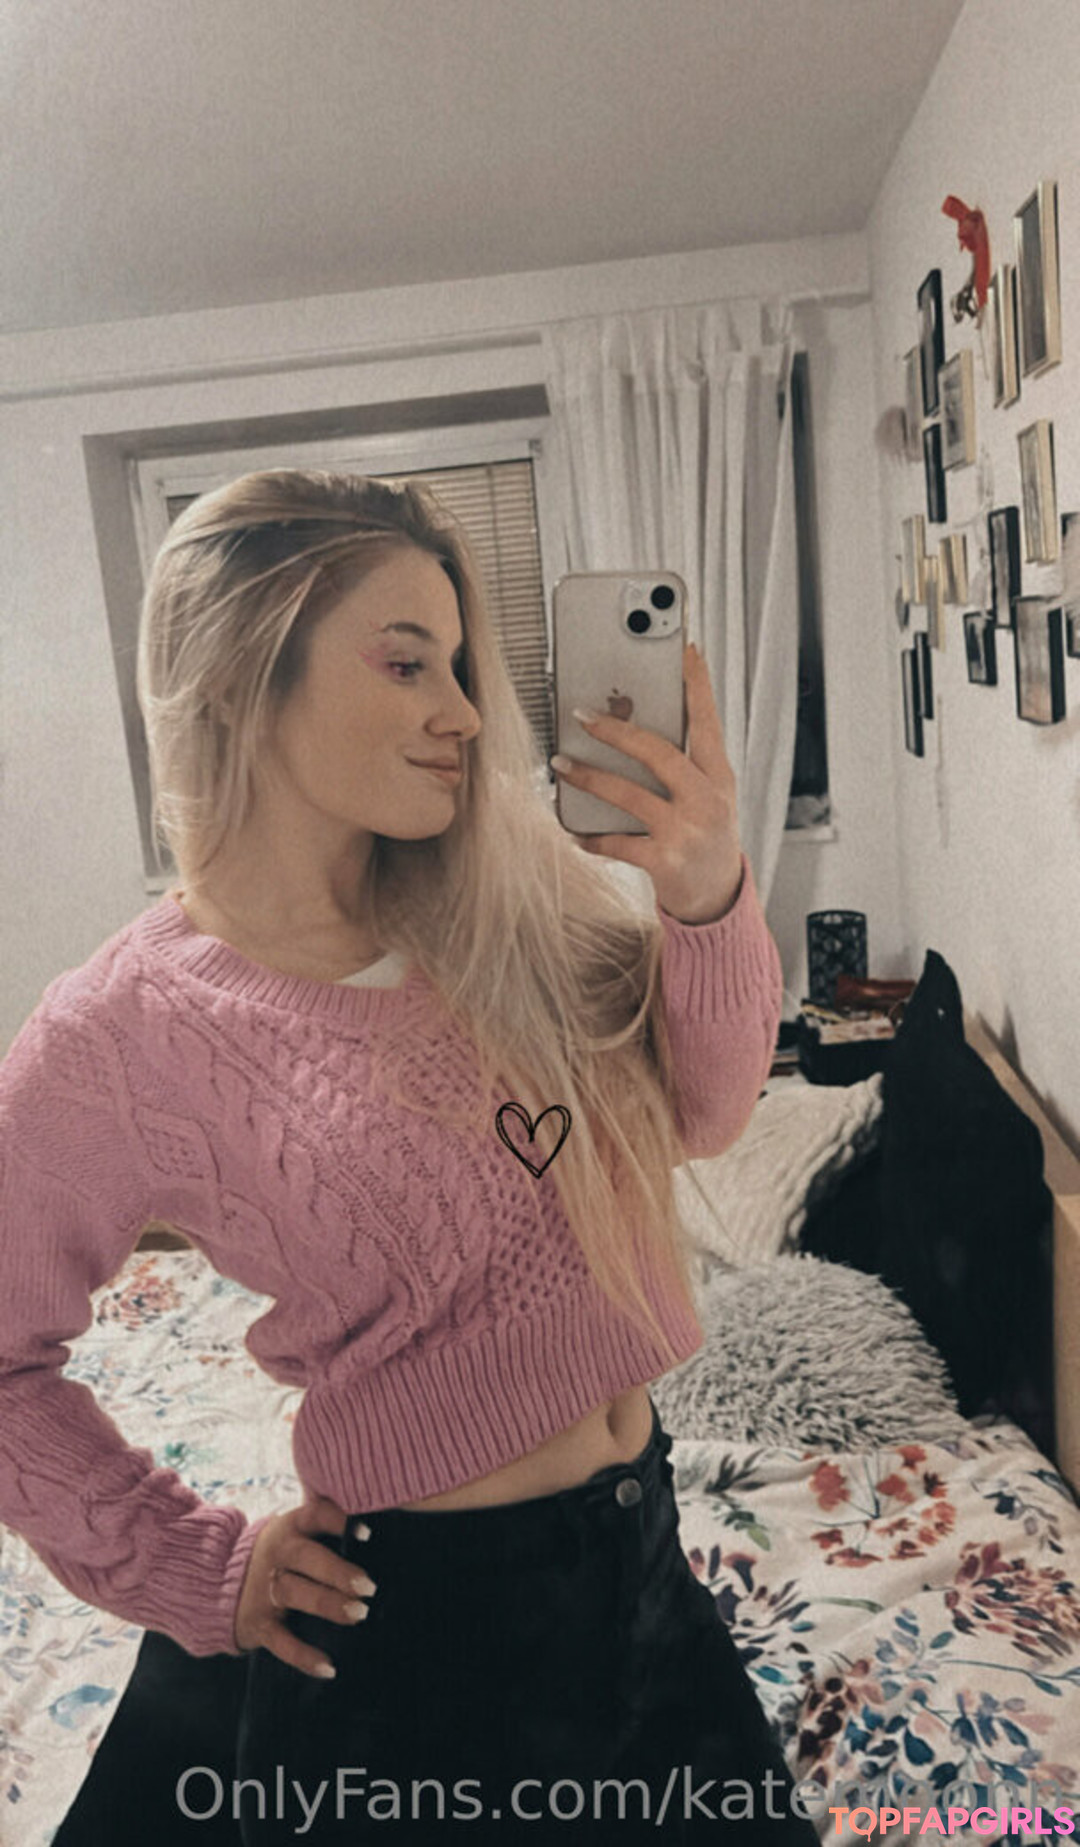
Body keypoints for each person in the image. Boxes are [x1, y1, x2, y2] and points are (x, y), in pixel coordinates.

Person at [0, 470, 817, 1844]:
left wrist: (707, 892)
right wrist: (202, 1568)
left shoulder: (507, 909)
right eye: (405, 662)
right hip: (424, 1644)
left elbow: (707, 1109)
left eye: (459, 665)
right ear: (247, 674)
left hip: (646, 1569)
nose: (462, 711)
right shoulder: (119, 1034)